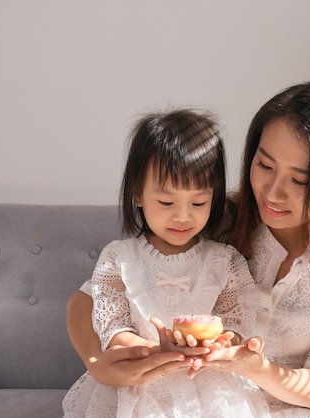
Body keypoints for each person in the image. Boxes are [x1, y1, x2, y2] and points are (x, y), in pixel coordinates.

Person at [66, 82, 310, 417]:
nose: (272, 191)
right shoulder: (223, 222)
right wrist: (102, 364)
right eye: (264, 164)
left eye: (300, 180)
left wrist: (255, 367)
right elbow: (87, 300)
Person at [62, 109, 270, 418]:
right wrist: (149, 350)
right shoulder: (119, 259)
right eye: (167, 202)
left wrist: (221, 343)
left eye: (198, 202)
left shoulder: (224, 260)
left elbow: (236, 318)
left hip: (205, 385)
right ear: (138, 195)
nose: (183, 216)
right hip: (138, 382)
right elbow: (112, 325)